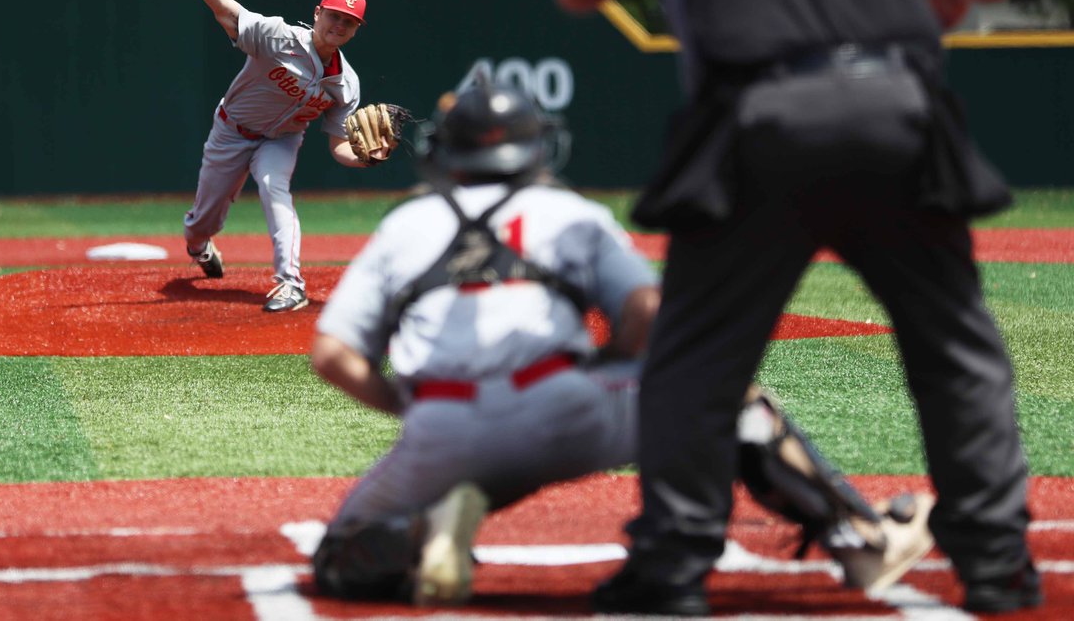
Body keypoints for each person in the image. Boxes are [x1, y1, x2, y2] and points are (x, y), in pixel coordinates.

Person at [548, 0, 1039, 616]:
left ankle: (674, 564)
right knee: (955, 348)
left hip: (758, 117)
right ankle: (999, 564)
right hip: (897, 105)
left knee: (699, 354)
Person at [309, 81, 934, 610]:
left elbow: (333, 356)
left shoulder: (406, 224)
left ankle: (422, 530)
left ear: (444, 155)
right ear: (534, 149)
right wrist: (604, 367)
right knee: (731, 399)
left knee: (341, 559)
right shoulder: (566, 211)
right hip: (562, 407)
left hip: (439, 430)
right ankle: (861, 540)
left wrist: (413, 408)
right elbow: (646, 314)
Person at [169, 0, 387, 312]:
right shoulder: (276, 37)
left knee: (274, 189)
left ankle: (291, 284)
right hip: (231, 131)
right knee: (203, 221)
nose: (339, 26)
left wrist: (365, 158)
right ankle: (199, 245)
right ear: (317, 13)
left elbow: (339, 147)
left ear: (356, 30)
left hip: (282, 139)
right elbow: (223, 5)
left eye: (349, 22)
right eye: (334, 16)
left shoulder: (345, 84)